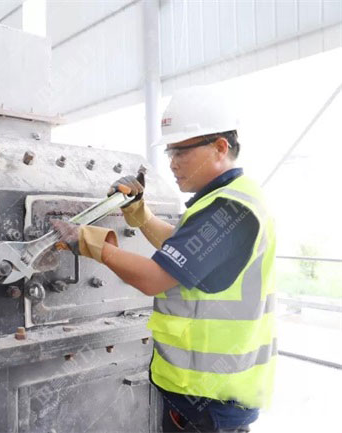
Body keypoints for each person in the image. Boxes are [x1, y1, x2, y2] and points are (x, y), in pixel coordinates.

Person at [52, 85, 276, 433]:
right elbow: (183, 252)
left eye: (182, 151)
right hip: (204, 397)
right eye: (170, 151)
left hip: (209, 403)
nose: (172, 163)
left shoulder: (230, 209)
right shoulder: (228, 199)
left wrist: (91, 243)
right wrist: (138, 212)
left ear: (220, 147)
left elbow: (154, 278)